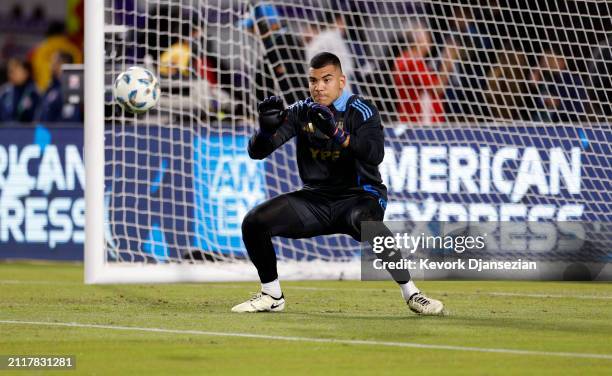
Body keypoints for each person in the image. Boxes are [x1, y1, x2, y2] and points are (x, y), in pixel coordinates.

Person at [232, 52, 444, 315]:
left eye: (326, 80)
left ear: (341, 81)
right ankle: (272, 295)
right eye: (313, 81)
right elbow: (258, 152)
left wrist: (336, 132)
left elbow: (375, 154)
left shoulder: (362, 110)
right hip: (316, 199)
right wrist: (263, 132)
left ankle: (412, 293)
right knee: (254, 222)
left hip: (360, 196)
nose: (318, 87)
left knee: (367, 223)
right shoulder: (301, 111)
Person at [0, 57, 39, 122]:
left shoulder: (34, 93)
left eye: (15, 70)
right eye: (10, 71)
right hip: (5, 131)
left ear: (26, 72)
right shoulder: (5, 93)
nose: (11, 74)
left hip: (27, 131)